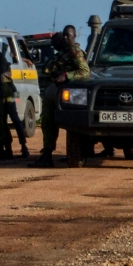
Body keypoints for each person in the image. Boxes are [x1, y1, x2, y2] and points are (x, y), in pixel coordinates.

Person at [30, 25, 91, 168]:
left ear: (74, 36)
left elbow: (85, 71)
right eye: (64, 35)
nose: (65, 38)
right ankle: (47, 155)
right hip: (56, 90)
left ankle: (48, 156)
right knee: (48, 123)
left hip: (66, 93)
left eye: (68, 35)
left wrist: (66, 75)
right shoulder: (64, 52)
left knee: (52, 123)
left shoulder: (74, 51)